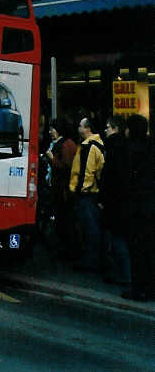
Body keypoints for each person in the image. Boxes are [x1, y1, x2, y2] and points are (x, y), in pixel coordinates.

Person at [123, 114, 155, 301]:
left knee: (136, 251)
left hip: (136, 208)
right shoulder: (150, 147)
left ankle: (138, 288)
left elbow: (126, 182)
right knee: (149, 250)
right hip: (150, 206)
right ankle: (149, 287)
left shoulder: (130, 151)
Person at [69, 117, 105, 272]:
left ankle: (90, 262)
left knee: (89, 229)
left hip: (87, 195)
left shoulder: (90, 147)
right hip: (90, 194)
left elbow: (87, 173)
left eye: (80, 126)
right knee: (90, 229)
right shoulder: (93, 145)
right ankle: (91, 260)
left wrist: (79, 190)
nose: (78, 128)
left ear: (88, 129)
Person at [100, 116, 130, 285]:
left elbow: (108, 176)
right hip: (123, 200)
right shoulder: (127, 147)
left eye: (108, 127)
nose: (105, 130)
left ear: (115, 128)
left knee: (114, 238)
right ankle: (124, 274)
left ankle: (120, 275)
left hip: (112, 201)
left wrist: (102, 198)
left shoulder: (111, 147)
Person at [45, 119, 78, 257]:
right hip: (59, 188)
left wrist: (51, 158)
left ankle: (66, 251)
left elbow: (65, 168)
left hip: (62, 189)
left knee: (63, 221)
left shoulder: (65, 145)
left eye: (52, 129)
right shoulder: (64, 143)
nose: (50, 131)